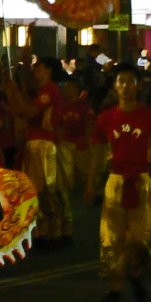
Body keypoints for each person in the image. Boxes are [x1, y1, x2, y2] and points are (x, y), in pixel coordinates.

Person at [84, 64, 151, 302]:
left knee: (140, 238)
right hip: (115, 182)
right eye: (121, 81)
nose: (126, 86)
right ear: (115, 85)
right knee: (111, 237)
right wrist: (90, 183)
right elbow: (98, 153)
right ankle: (115, 287)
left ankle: (134, 271)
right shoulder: (106, 118)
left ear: (139, 85)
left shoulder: (148, 116)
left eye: (131, 81)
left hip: (141, 182)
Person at [6, 57, 64, 247]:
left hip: (43, 143)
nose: (35, 70)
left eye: (38, 66)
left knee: (45, 189)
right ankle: (43, 231)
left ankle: (53, 232)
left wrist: (15, 94)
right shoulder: (40, 90)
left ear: (47, 70)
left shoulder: (49, 90)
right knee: (35, 189)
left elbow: (31, 112)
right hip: (34, 142)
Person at [56, 77, 94, 243]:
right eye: (65, 86)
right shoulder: (61, 107)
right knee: (66, 181)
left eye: (70, 87)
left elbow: (89, 124)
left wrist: (87, 141)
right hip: (65, 144)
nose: (67, 89)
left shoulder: (83, 106)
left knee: (84, 175)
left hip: (79, 144)